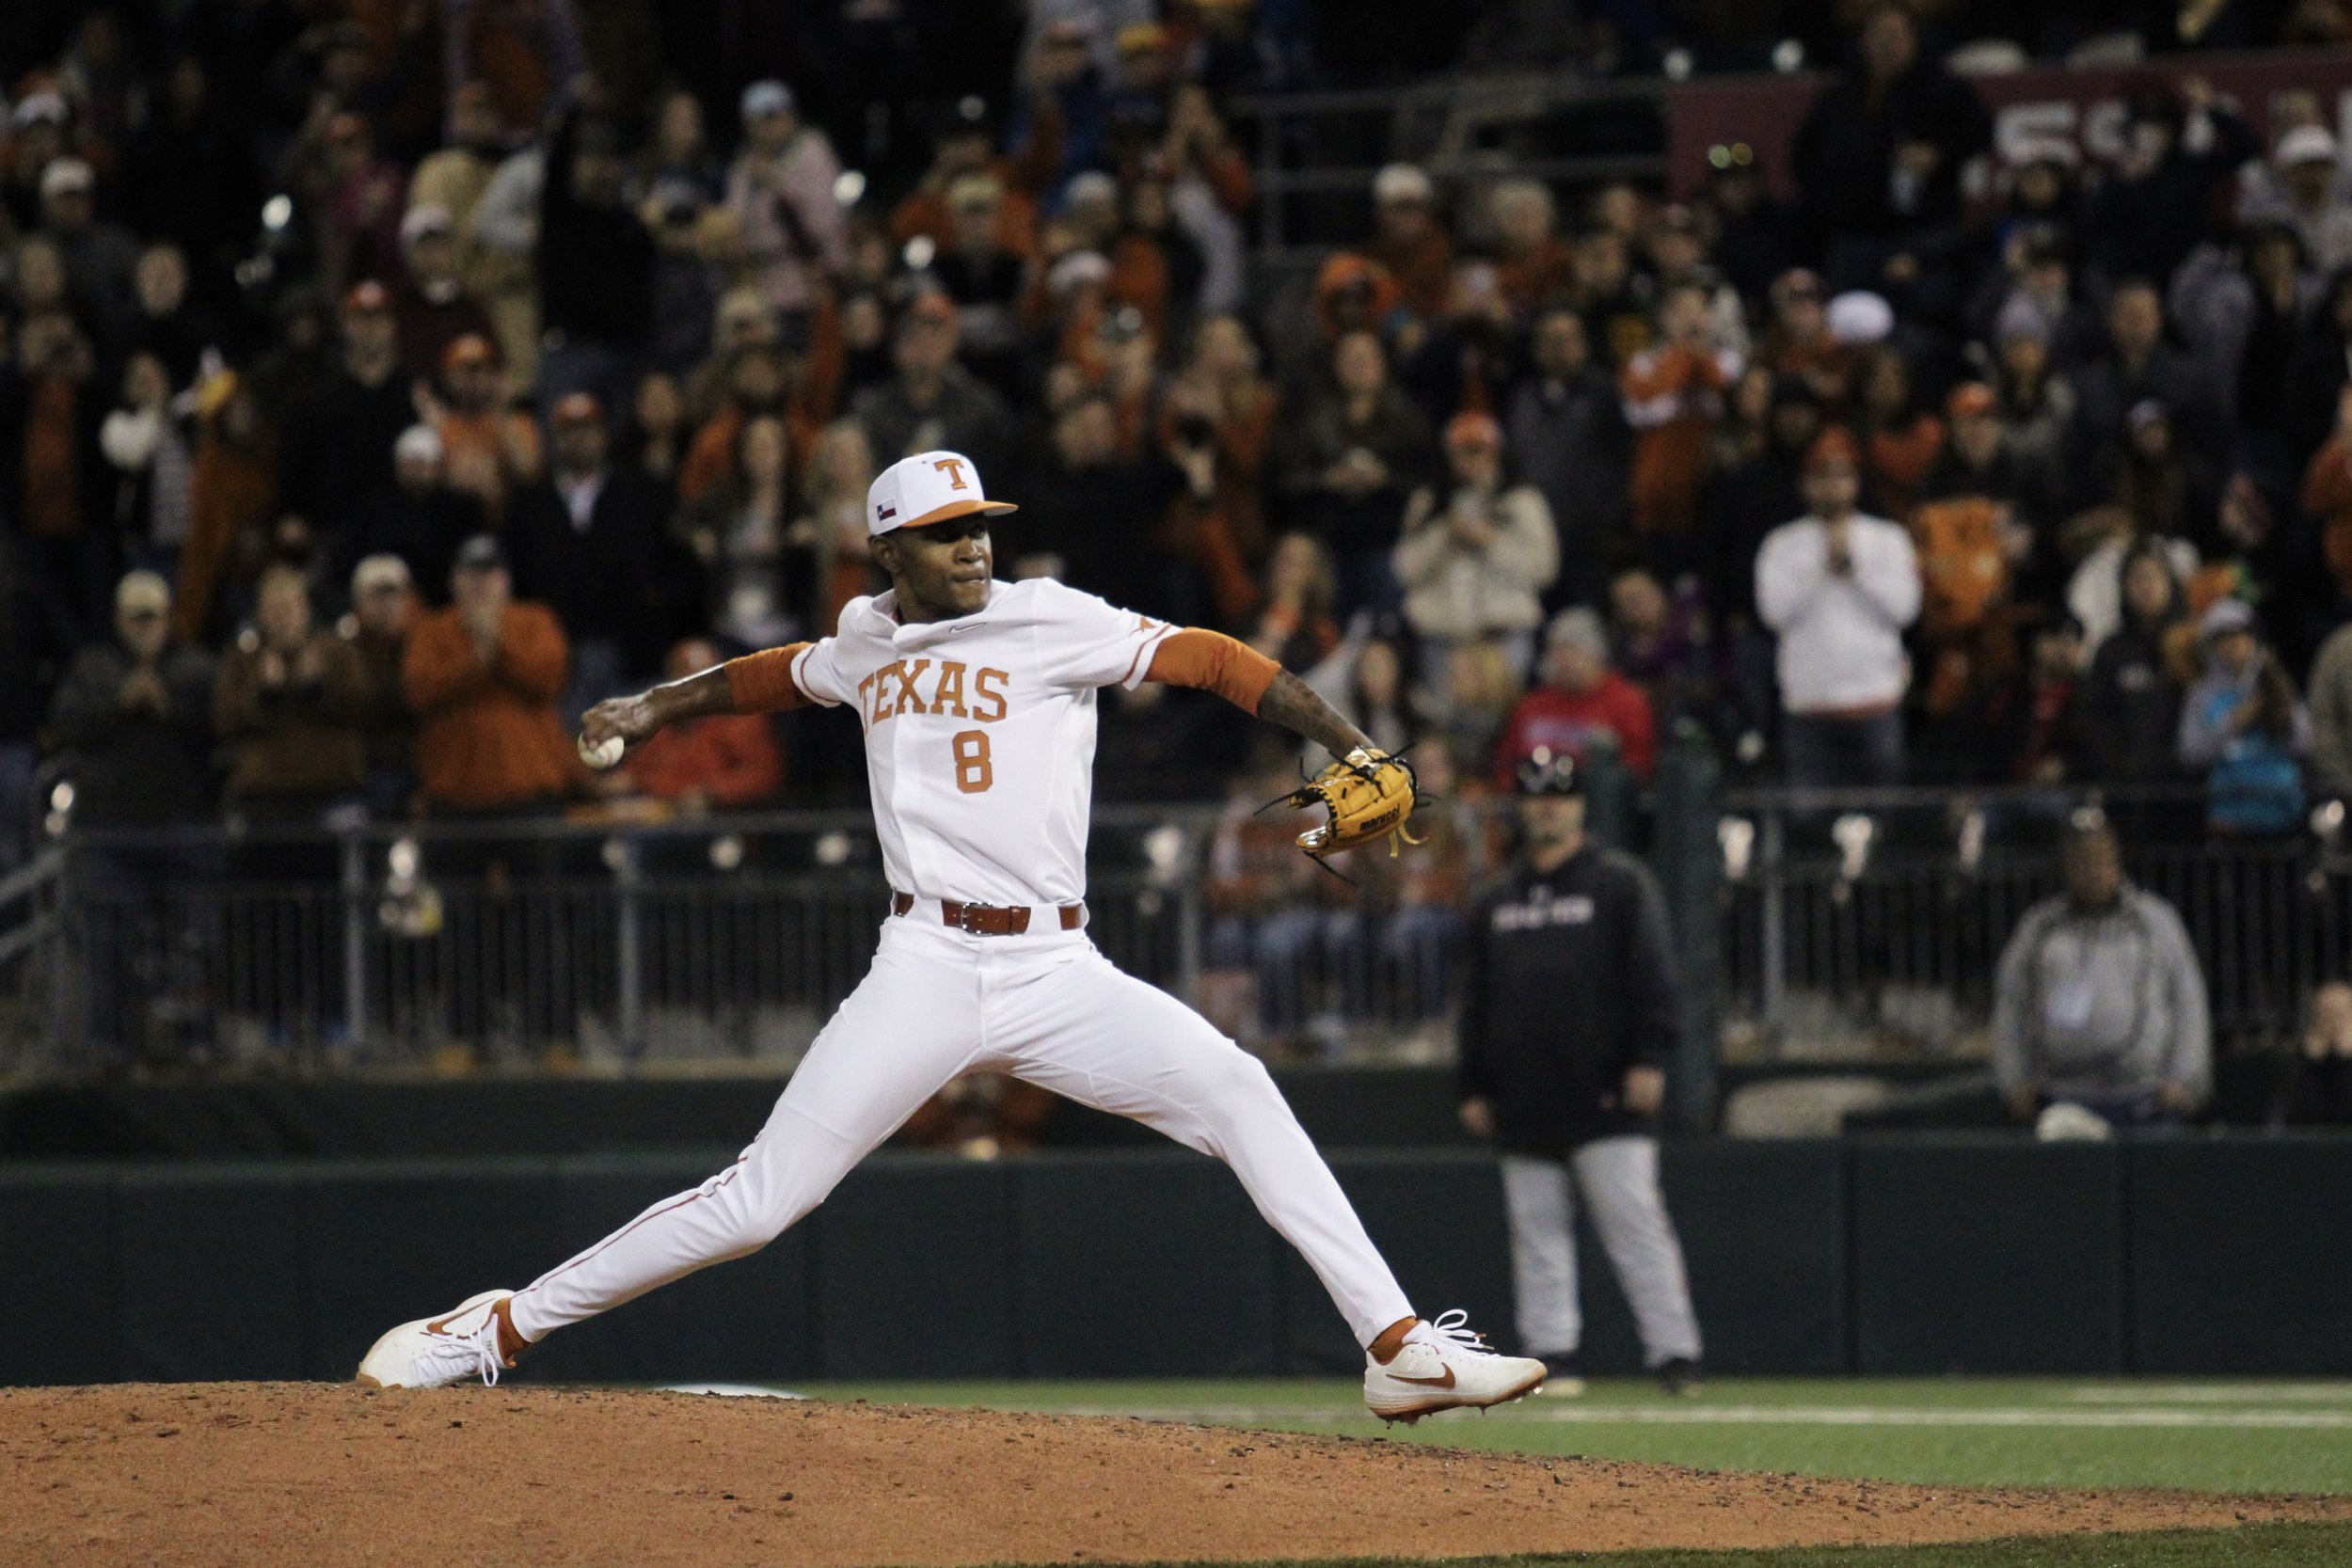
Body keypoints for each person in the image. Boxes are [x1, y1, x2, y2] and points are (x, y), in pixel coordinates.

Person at [358, 451, 1548, 1423]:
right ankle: (492, 1328)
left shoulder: (1050, 619)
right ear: (888, 554)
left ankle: (1397, 1346)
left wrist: (1345, 740)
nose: (975, 544)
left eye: (980, 522)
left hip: (1056, 965)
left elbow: (1218, 661)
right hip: (925, 961)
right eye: (944, 531)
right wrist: (652, 707)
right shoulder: (868, 638)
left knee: (1237, 1088)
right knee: (762, 1202)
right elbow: (780, 675)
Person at [1457, 750, 1702, 1396]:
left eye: (1560, 796)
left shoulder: (1618, 883)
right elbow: (1476, 1000)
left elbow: (1656, 977)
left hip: (1606, 1090)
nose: (1547, 806)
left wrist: (1651, 1055)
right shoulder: (1497, 899)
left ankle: (1675, 1355)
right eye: (1537, 795)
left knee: (1636, 1227)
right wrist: (1473, 1083)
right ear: (1521, 805)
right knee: (1537, 1236)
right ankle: (1552, 1355)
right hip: (1525, 1095)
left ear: (1580, 805)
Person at [1991, 816, 2209, 1130]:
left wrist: (2184, 1079)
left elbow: (2189, 1001)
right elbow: (2010, 1006)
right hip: (2059, 1098)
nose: (2093, 872)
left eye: (2102, 861)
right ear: (2065, 868)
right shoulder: (2039, 928)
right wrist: (2014, 1082)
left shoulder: (2156, 921)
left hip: (2147, 1101)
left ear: (2117, 863)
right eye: (2081, 862)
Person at [1755, 431, 1920, 788]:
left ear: (1855, 483)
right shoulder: (1782, 544)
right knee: (1810, 825)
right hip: (1808, 704)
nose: (1832, 486)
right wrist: (1820, 567)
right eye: (1822, 476)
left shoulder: (1887, 539)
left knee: (1882, 819)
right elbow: (1773, 613)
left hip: (1876, 699)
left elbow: (1905, 610)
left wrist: (1855, 569)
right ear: (1806, 484)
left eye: (1841, 475)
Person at [400, 536, 574, 816]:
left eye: (489, 572)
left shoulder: (535, 620)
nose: (480, 582)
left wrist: (498, 650)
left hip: (529, 785)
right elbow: (419, 692)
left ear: (506, 579)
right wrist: (477, 661)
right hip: (453, 791)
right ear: (452, 580)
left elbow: (550, 681)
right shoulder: (431, 630)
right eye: (470, 573)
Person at [1392, 412, 1558, 676]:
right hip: (1441, 637)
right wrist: (1444, 534)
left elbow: (1543, 570)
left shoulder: (1522, 501)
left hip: (1504, 634)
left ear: (1495, 453)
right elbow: (1405, 570)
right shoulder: (1427, 503)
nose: (1469, 461)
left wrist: (1489, 542)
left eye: (1477, 451)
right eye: (1461, 452)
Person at [2176, 598, 2308, 836]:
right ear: (2210, 645)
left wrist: (2277, 713)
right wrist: (2234, 723)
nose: (2233, 644)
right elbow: (2190, 752)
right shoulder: (2200, 694)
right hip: (2230, 818)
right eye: (2222, 638)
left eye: (2240, 634)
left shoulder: (2276, 681)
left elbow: (2304, 742)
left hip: (2282, 813)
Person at [1493, 610, 1657, 784]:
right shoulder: (1532, 705)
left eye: (1572, 650)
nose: (1563, 660)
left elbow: (1637, 768)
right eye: (1557, 650)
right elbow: (1506, 765)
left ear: (1596, 654)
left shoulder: (1628, 704)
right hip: (1532, 800)